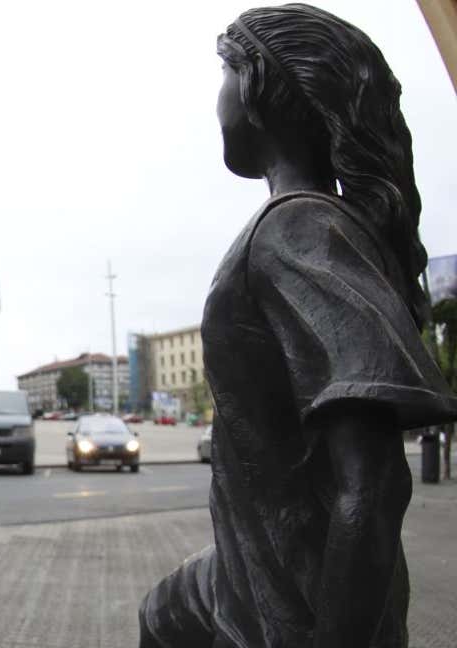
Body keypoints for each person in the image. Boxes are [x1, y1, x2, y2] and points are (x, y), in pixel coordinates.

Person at [138, 5, 457, 647]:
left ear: (256, 86)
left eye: (224, 73)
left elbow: (373, 483)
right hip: (247, 570)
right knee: (164, 612)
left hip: (297, 597)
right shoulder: (316, 225)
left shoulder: (298, 229)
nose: (216, 99)